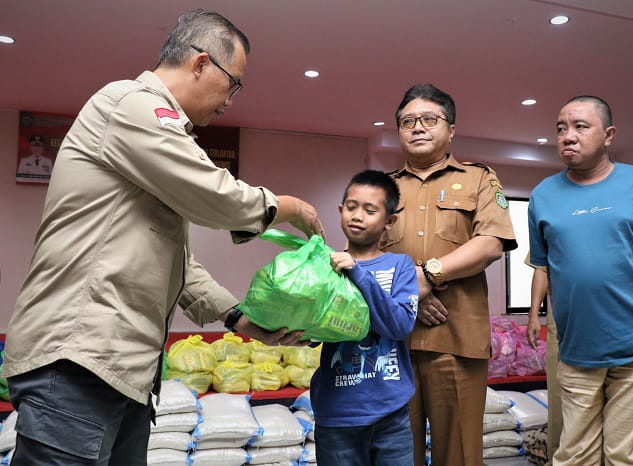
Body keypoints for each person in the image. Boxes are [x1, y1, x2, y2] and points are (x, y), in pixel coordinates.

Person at [4, 10, 324, 466]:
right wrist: (288, 207)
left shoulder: (162, 132)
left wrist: (239, 318)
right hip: (79, 361)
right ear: (200, 64)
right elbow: (214, 194)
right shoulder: (131, 103)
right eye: (233, 84)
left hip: (121, 371)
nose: (230, 102)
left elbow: (175, 259)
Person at [528, 95, 633, 466]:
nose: (567, 136)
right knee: (572, 456)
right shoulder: (542, 195)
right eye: (561, 128)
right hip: (578, 347)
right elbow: (546, 265)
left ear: (609, 134)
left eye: (580, 126)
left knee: (626, 457)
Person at [380, 84, 517, 466]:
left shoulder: (479, 179)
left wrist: (428, 276)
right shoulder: (381, 189)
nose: (418, 127)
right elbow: (362, 258)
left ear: (451, 129)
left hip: (456, 340)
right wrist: (414, 292)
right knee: (395, 453)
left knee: (457, 452)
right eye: (408, 121)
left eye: (429, 119)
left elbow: (491, 243)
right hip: (392, 344)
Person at [311, 169, 419, 466]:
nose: (358, 215)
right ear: (340, 210)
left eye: (370, 210)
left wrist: (357, 272)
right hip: (336, 414)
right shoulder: (324, 267)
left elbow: (399, 325)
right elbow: (309, 333)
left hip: (391, 414)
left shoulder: (400, 266)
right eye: (351, 207)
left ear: (389, 221)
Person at [525, 257, 562, 466]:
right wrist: (533, 315)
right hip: (563, 322)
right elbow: (542, 269)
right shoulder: (551, 222)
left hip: (611, 321)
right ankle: (556, 458)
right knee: (560, 404)